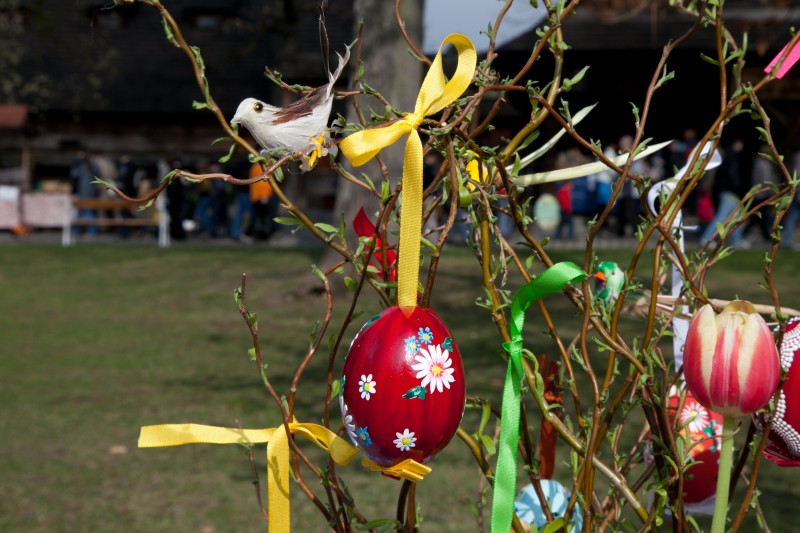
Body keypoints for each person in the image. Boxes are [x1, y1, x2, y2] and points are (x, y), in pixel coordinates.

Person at [699, 140, 746, 247]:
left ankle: (737, 239)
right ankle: (706, 238)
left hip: (729, 192)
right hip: (729, 192)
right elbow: (732, 176)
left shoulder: (729, 158)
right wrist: (737, 187)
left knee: (736, 217)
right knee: (722, 217)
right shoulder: (730, 158)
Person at [70, 150, 101, 236]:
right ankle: (77, 231)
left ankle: (92, 231)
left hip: (89, 193)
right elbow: (74, 175)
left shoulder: (92, 164)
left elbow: (96, 173)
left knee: (89, 213)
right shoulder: (81, 165)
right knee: (80, 213)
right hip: (82, 193)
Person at [248, 162, 277, 241]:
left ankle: (258, 235)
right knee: (264, 218)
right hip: (262, 196)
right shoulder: (262, 166)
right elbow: (263, 182)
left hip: (256, 196)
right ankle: (263, 236)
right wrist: (264, 195)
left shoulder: (255, 166)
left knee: (259, 217)